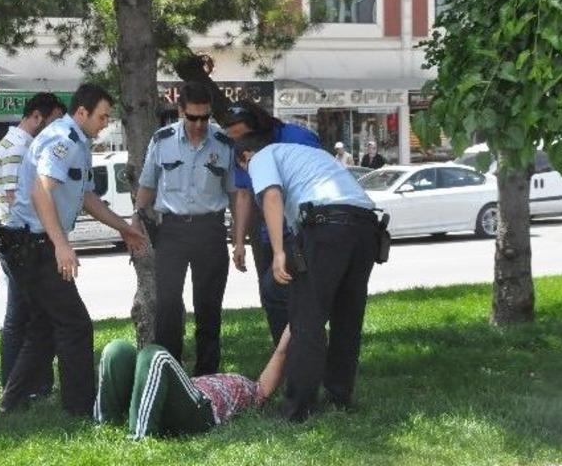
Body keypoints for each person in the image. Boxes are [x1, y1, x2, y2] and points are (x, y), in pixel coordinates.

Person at [0, 83, 145, 418]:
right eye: (103, 116)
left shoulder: (79, 141)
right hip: (35, 246)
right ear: (82, 112)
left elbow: (88, 198)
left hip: (34, 243)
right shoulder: (63, 139)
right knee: (75, 326)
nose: (106, 123)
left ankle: (11, 402)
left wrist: (124, 228)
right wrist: (61, 246)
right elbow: (40, 191)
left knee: (44, 328)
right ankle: (80, 408)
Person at [234, 130, 378, 422]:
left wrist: (278, 253)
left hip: (327, 226)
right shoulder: (312, 155)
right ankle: (339, 399)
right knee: (347, 317)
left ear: (244, 158)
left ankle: (298, 410)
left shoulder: (261, 157)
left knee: (306, 319)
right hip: (366, 227)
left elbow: (272, 196)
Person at [132, 82, 237, 376]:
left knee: (208, 306)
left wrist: (240, 240)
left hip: (210, 230)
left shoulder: (223, 142)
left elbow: (235, 193)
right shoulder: (162, 140)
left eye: (205, 117)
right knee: (167, 306)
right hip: (172, 232)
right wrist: (135, 223)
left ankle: (207, 376)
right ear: (180, 112)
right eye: (193, 117)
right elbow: (147, 185)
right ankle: (170, 373)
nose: (199, 124)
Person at [222, 99, 321, 346]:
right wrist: (239, 241)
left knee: (303, 296)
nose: (239, 143)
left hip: (304, 227)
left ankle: (309, 351)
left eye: (242, 135)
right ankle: (283, 355)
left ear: (259, 127)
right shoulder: (243, 149)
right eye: (233, 138)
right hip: (266, 231)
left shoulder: (296, 137)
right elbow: (244, 194)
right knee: (271, 296)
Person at [0, 92, 66, 395]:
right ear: (37, 117)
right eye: (53, 121)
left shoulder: (17, 144)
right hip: (19, 239)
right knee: (20, 316)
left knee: (29, 314)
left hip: (20, 237)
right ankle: (17, 383)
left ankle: (28, 383)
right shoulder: (18, 147)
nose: (56, 129)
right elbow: (16, 197)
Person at [94, 327, 290, 439]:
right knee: (117, 349)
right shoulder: (236, 381)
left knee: (155, 356)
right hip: (171, 392)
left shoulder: (253, 391)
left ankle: (140, 436)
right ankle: (106, 422)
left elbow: (279, 357)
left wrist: (290, 334)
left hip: (200, 409)